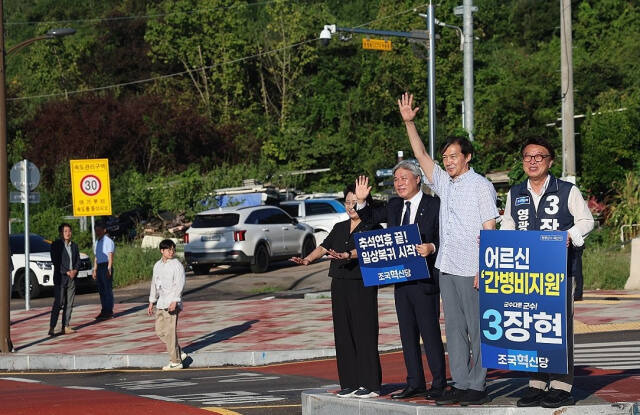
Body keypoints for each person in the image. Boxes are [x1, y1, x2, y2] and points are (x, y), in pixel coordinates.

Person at [398, 92, 499, 406]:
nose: (448, 161)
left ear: (467, 157)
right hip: (448, 265)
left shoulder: (481, 185)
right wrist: (409, 123)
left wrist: (485, 269)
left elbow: (490, 230)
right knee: (454, 330)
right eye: (446, 158)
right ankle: (462, 381)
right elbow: (422, 155)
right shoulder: (444, 183)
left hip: (473, 267)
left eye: (454, 156)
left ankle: (478, 385)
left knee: (477, 328)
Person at [501, 137, 594, 408]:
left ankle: (562, 386)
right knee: (531, 326)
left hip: (560, 273)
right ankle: (537, 383)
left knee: (558, 328)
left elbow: (587, 220)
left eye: (538, 156)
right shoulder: (515, 193)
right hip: (526, 276)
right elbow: (508, 225)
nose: (532, 161)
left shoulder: (567, 190)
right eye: (527, 156)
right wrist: (494, 242)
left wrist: (569, 235)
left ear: (550, 161)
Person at [355, 160, 446, 401]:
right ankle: (415, 382)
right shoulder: (395, 206)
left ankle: (439, 382)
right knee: (407, 334)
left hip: (425, 280)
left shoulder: (435, 204)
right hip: (401, 280)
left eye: (404, 178)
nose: (399, 183)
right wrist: (362, 201)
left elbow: (445, 236)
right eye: (396, 179)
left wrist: (431, 247)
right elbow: (371, 217)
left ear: (418, 179)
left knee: (430, 333)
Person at [290, 183, 382, 399]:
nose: (351, 207)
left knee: (364, 332)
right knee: (343, 333)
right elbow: (324, 246)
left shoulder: (372, 226)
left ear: (364, 203)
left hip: (362, 283)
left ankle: (370, 384)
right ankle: (349, 382)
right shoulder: (340, 227)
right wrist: (307, 260)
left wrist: (348, 255)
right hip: (339, 282)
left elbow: (365, 249)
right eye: (348, 203)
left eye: (355, 202)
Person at [148, 239, 188, 370]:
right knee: (160, 331)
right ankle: (179, 352)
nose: (171, 252)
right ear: (162, 251)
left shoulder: (176, 265)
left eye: (173, 249)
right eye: (168, 250)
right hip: (161, 302)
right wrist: (151, 302)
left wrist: (175, 301)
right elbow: (154, 284)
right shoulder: (157, 265)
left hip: (172, 303)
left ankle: (175, 361)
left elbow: (179, 284)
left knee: (171, 333)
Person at [49, 223, 80, 336]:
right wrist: (66, 271)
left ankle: (65, 326)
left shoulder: (74, 245)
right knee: (59, 302)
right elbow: (56, 261)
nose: (68, 233)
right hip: (60, 278)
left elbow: (78, 260)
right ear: (60, 233)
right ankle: (52, 327)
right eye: (65, 231)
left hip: (72, 278)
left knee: (69, 303)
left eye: (69, 231)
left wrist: (75, 270)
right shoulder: (56, 245)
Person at [93, 223, 115, 320]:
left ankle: (109, 311)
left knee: (107, 289)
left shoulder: (108, 241)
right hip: (99, 266)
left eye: (99, 230)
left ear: (104, 230)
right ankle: (104, 310)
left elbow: (110, 255)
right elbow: (96, 257)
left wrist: (109, 268)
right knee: (101, 290)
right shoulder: (97, 242)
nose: (98, 232)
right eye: (96, 230)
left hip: (106, 265)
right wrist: (94, 269)